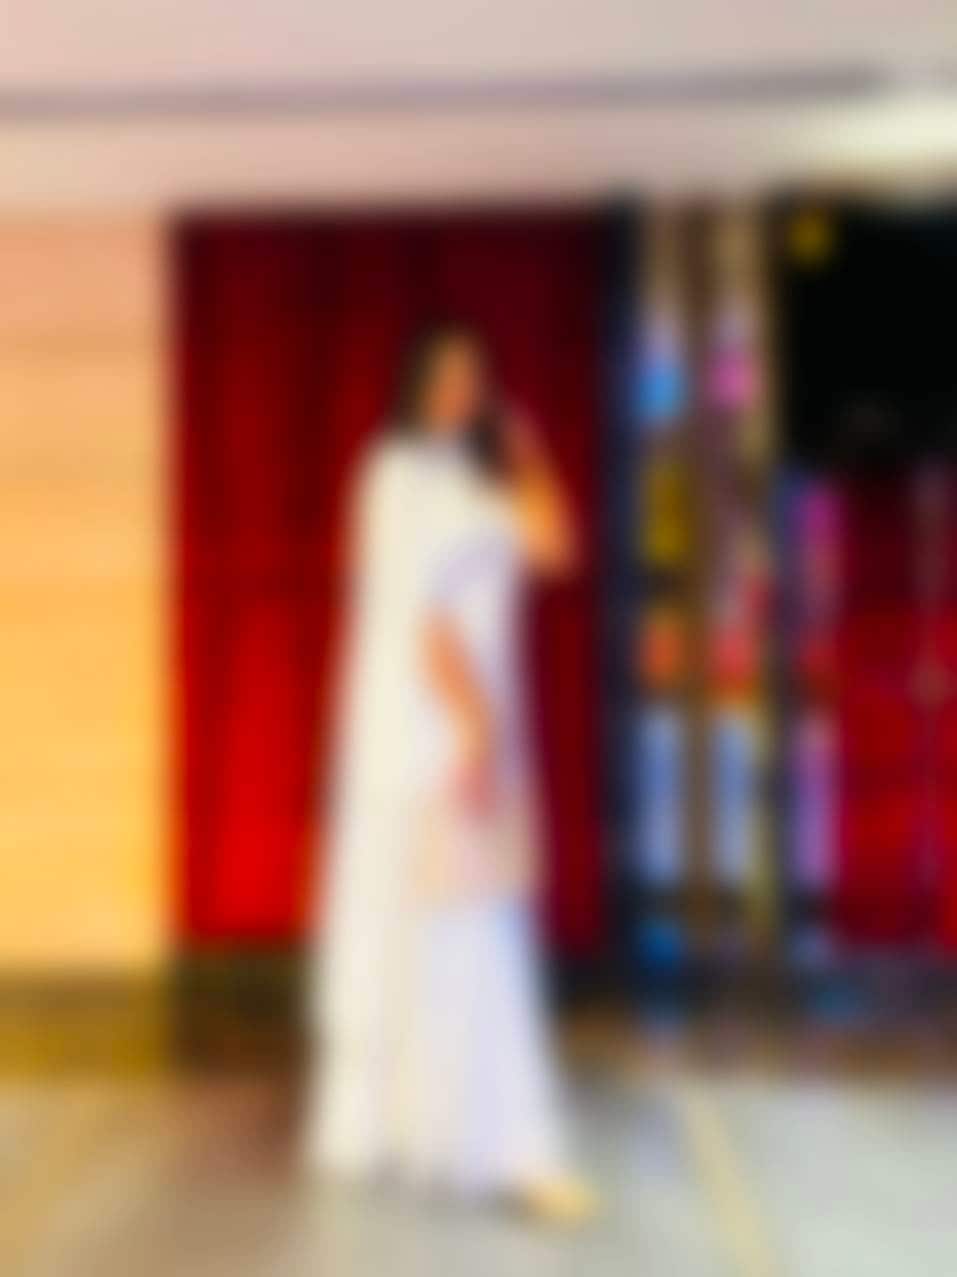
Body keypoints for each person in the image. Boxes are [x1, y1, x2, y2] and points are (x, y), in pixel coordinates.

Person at [309, 321, 596, 1223]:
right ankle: (499, 1145)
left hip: (473, 736)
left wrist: (529, 457)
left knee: (473, 931)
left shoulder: (480, 485)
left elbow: (556, 549)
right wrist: (471, 724)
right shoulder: (393, 475)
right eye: (441, 376)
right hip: (432, 741)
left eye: (473, 377)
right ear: (412, 385)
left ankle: (473, 1134)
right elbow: (410, 610)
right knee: (458, 933)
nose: (457, 392)